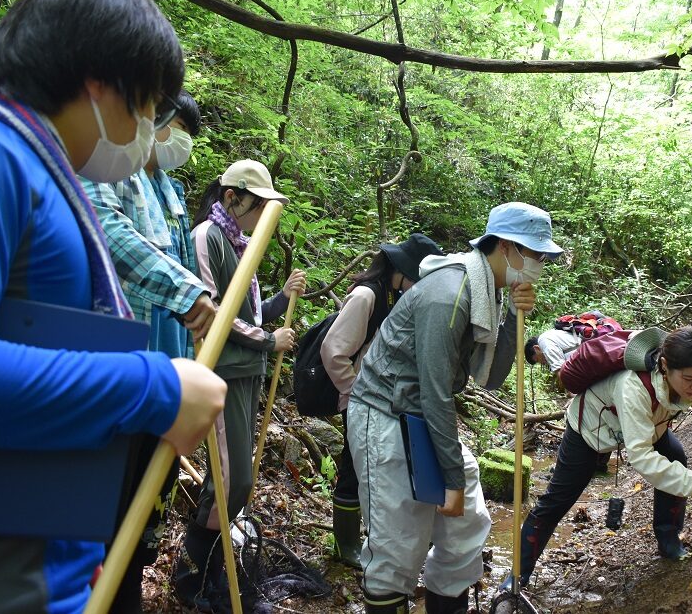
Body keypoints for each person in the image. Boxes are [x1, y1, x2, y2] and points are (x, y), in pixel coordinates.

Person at [0, 0, 226, 614]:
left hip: (31, 567)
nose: (149, 126)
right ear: (98, 82)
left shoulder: (43, 176)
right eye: (148, 103)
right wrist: (152, 387)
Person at [348, 202, 563, 614]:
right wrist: (450, 478)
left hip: (421, 415)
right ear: (505, 246)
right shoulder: (449, 294)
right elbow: (434, 391)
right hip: (385, 414)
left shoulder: (488, 291)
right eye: (535, 254)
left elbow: (491, 377)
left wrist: (513, 317)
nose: (539, 264)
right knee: (397, 545)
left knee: (466, 528)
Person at [79, 88, 209, 612]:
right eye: (174, 126)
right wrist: (188, 294)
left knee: (147, 503)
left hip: (166, 368)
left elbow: (183, 270)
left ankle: (127, 589)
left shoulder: (168, 189)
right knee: (109, 509)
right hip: (124, 362)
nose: (180, 142)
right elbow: (107, 233)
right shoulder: (107, 168)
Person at [503, 325, 692, 591]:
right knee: (557, 501)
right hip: (590, 430)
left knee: (675, 457)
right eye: (689, 379)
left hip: (648, 426)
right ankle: (517, 576)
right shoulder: (633, 386)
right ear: (665, 366)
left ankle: (670, 544)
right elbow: (641, 456)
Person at [175, 159, 307, 608]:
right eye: (258, 205)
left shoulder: (240, 244)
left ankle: (213, 575)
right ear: (232, 197)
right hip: (222, 373)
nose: (262, 215)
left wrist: (282, 299)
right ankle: (193, 577)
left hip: (246, 372)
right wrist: (269, 340)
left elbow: (250, 313)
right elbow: (215, 312)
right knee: (230, 482)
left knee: (240, 484)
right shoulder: (207, 237)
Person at [320, 233, 443, 568]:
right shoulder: (366, 296)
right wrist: (355, 391)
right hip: (359, 397)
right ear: (401, 271)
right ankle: (346, 545)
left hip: (383, 399)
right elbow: (333, 351)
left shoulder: (394, 295)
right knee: (352, 469)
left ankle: (369, 537)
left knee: (369, 467)